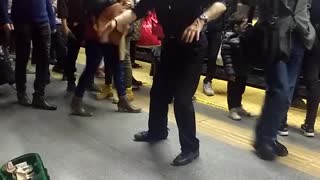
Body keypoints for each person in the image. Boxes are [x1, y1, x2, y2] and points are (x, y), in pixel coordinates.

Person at [102, 0, 227, 166]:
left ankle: (191, 148)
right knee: (158, 92)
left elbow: (221, 4)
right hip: (170, 46)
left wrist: (201, 20)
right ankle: (157, 131)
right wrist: (115, 22)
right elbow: (136, 12)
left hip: (192, 49)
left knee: (182, 100)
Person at [254, 0, 316, 161]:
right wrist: (267, 21)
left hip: (299, 38)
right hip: (276, 34)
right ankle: (265, 139)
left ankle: (267, 136)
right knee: (279, 90)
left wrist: (308, 29)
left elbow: (306, 5)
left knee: (285, 93)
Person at [70, 0, 142, 117]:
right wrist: (116, 2)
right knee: (91, 68)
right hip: (97, 34)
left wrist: (126, 4)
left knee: (118, 66)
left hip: (113, 33)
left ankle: (122, 99)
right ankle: (76, 100)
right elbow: (91, 5)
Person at [0, 0, 57, 110]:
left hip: (43, 21)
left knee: (44, 59)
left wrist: (52, 20)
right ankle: (21, 92)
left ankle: (39, 96)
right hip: (22, 21)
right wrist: (5, 19)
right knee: (22, 58)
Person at [203, 0, 238, 96]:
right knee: (197, 55)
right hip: (201, 25)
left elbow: (229, 10)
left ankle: (208, 80)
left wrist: (226, 28)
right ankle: (190, 83)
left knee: (212, 57)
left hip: (217, 28)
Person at [221, 13, 252, 121]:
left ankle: (238, 106)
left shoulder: (243, 36)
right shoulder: (229, 38)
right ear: (236, 27)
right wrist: (230, 72)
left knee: (240, 88)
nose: (246, 26)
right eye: (244, 24)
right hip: (234, 70)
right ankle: (232, 109)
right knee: (233, 90)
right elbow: (226, 57)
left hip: (242, 69)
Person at [300, 0, 320, 137]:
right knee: (314, 82)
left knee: (293, 77)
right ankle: (310, 125)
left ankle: (281, 123)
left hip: (308, 39)